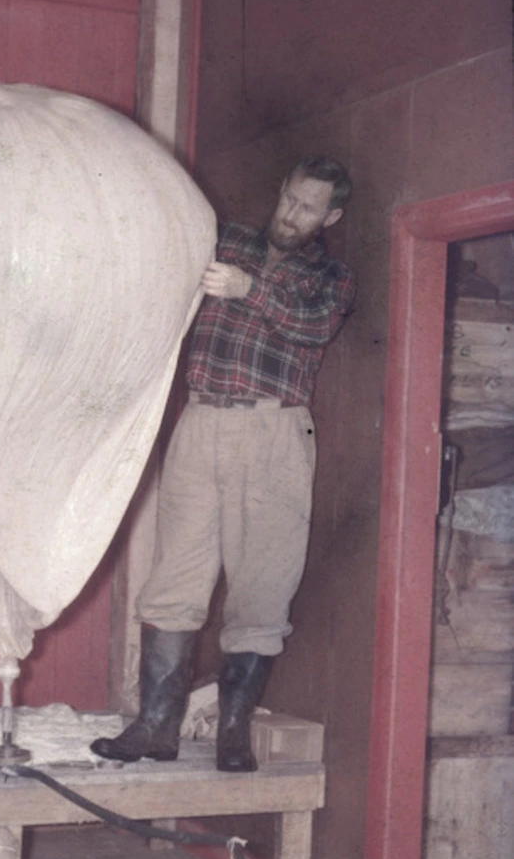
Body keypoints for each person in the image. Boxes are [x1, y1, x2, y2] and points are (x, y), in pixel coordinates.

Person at [91, 156, 356, 772]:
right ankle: (155, 727)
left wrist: (248, 289)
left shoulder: (333, 278)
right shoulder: (228, 238)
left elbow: (311, 328)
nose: (291, 213)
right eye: (289, 197)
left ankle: (234, 736)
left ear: (331, 216)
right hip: (201, 420)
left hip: (275, 433)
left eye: (308, 207)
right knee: (173, 578)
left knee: (262, 586)